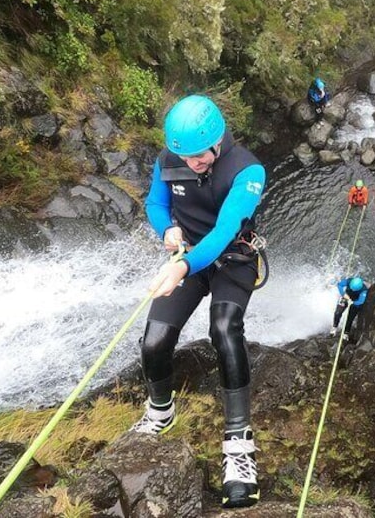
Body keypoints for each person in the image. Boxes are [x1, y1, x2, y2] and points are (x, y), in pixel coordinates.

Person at [131, 94, 266, 509]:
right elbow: (156, 202)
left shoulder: (248, 170)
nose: (192, 163)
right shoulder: (168, 159)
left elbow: (226, 229)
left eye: (198, 156)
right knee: (154, 339)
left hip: (232, 260)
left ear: (217, 139)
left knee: (223, 329)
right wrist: (166, 228)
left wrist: (184, 266)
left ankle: (239, 447)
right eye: (184, 156)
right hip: (186, 257)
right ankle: (160, 411)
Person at [331, 276, 368, 340]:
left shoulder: (364, 290)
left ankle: (346, 332)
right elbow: (340, 285)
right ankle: (334, 327)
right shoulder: (349, 280)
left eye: (353, 289)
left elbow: (361, 301)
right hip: (346, 296)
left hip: (355, 301)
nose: (352, 289)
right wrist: (344, 294)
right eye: (351, 288)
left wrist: (353, 302)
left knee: (350, 318)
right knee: (338, 312)